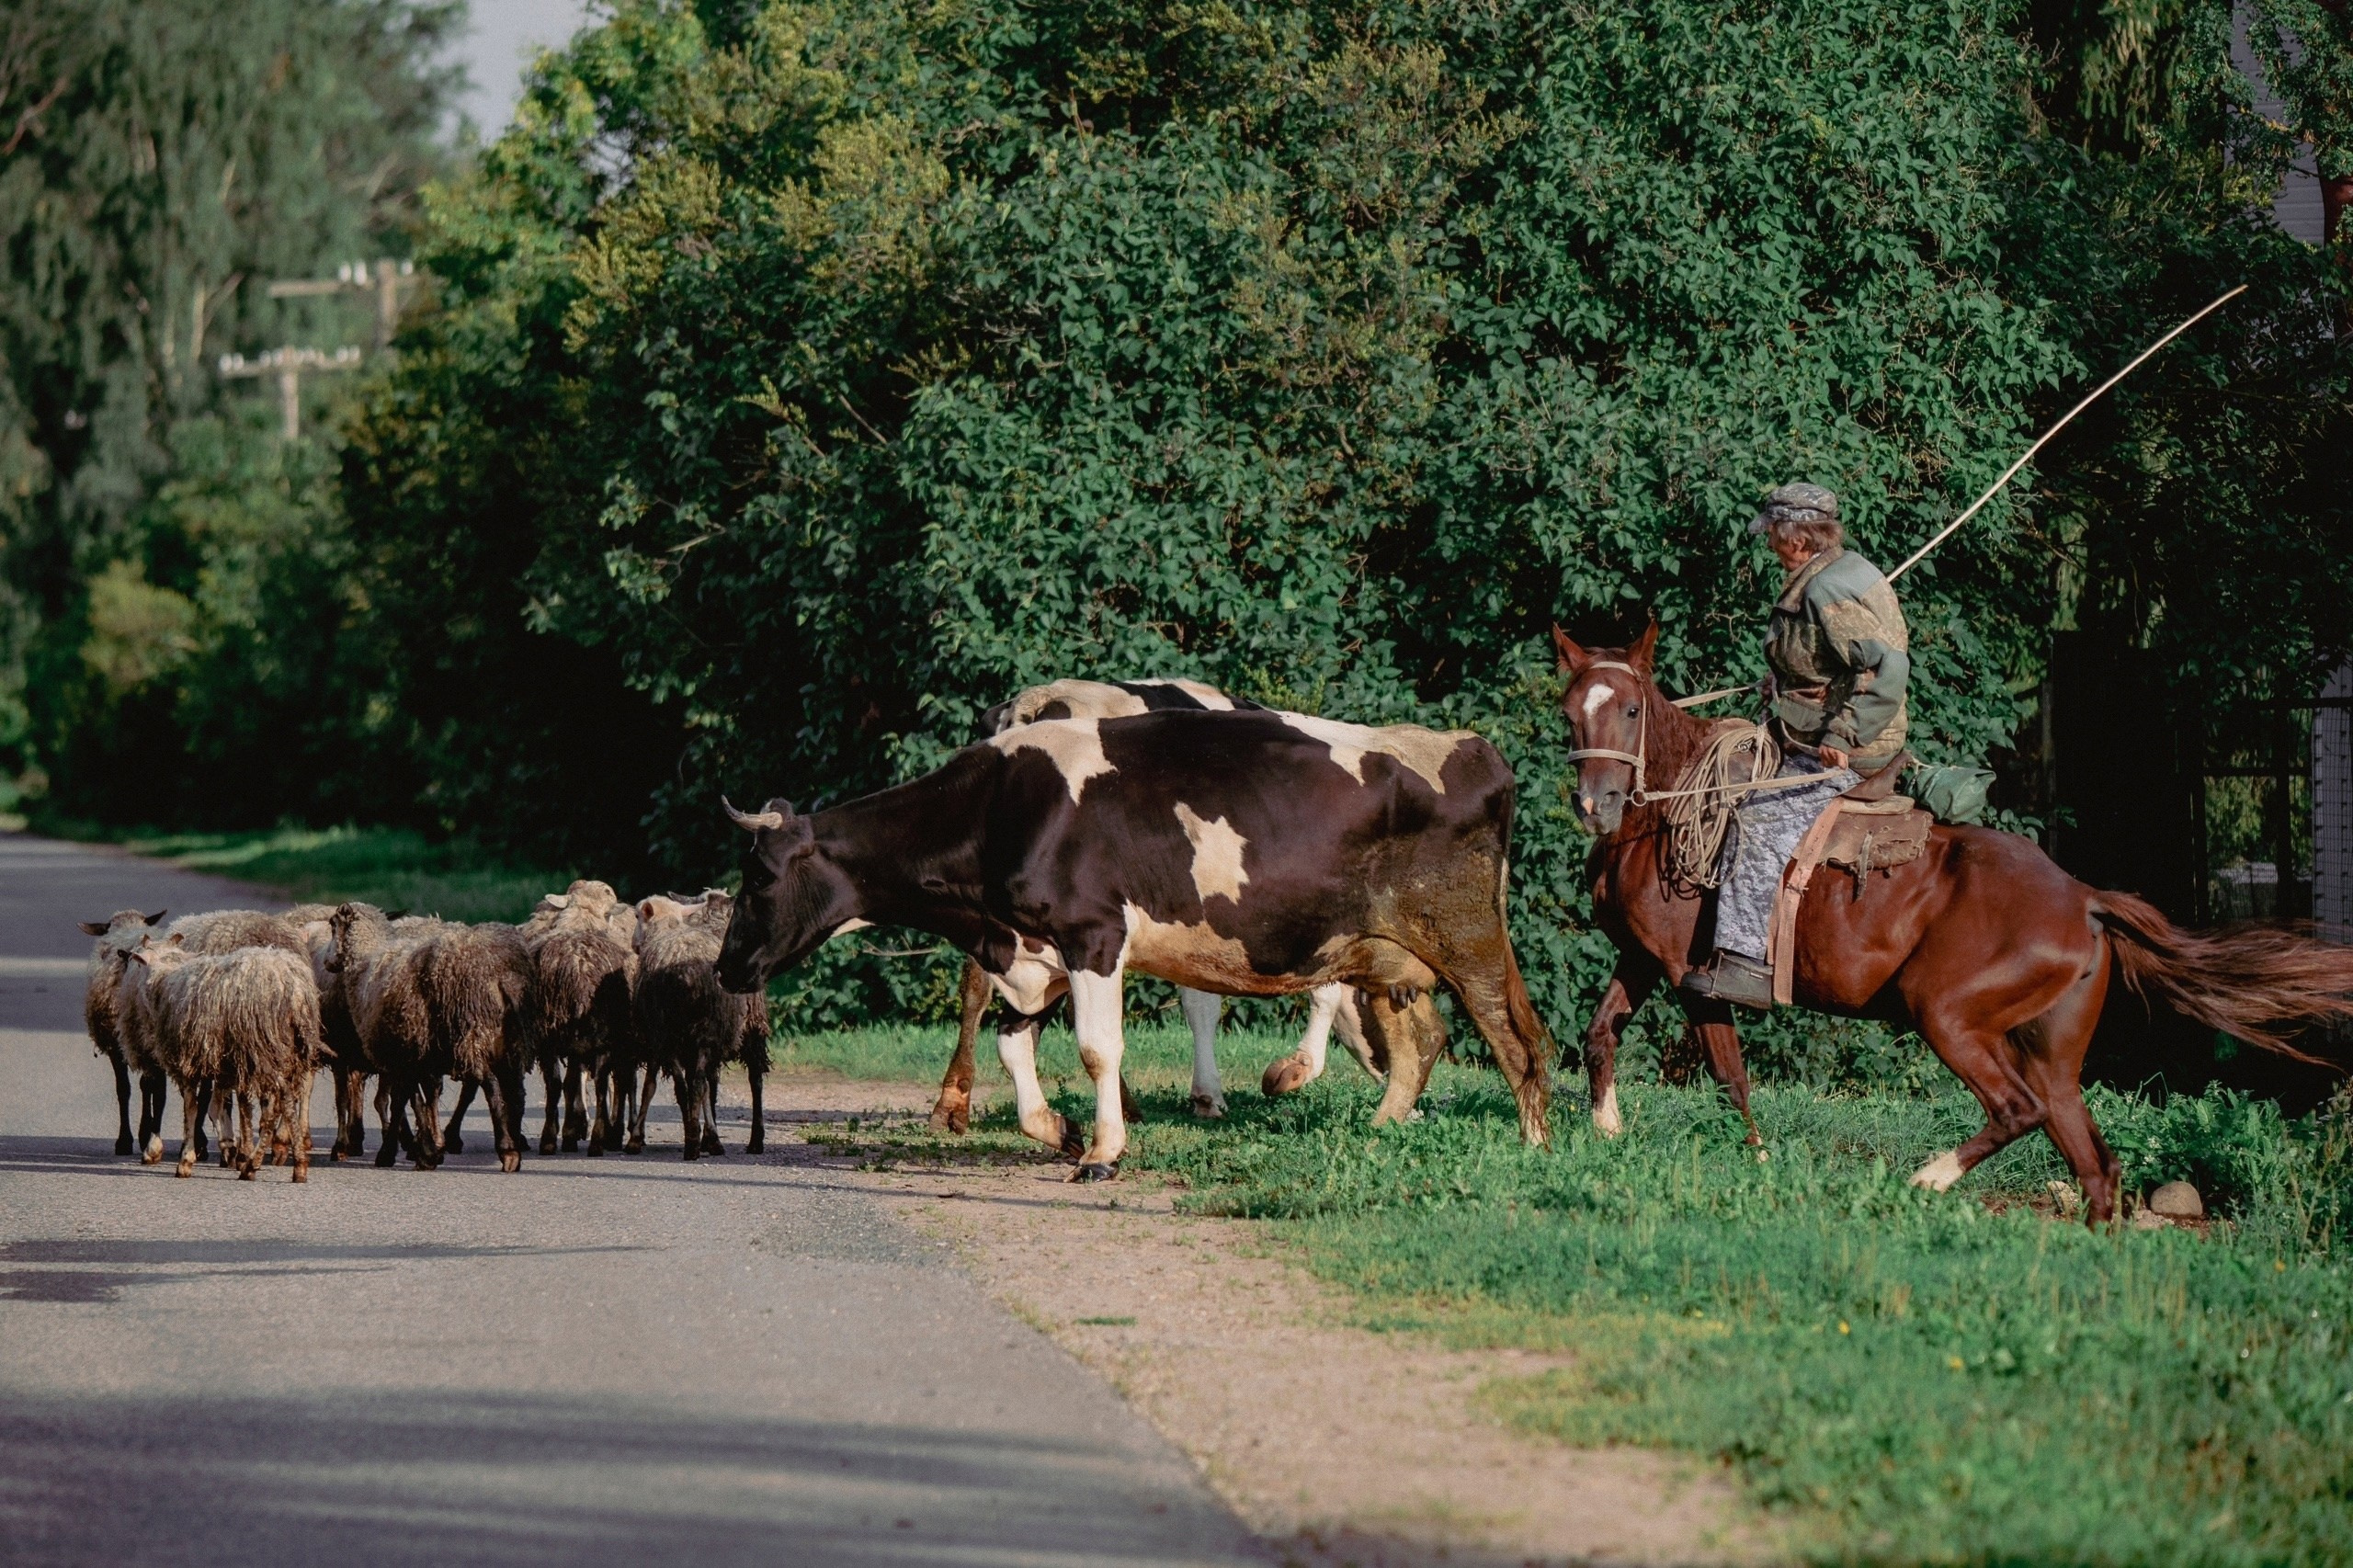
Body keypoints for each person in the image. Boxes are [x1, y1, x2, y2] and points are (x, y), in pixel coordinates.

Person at [1679, 482, 1911, 1009]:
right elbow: (1825, 657)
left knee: (1756, 820)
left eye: (1773, 536)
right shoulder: (1834, 570)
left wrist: (1843, 734)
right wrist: (1785, 683)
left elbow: (1887, 668)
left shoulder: (1827, 590)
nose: (1769, 545)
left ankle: (1745, 965)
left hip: (1853, 745)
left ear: (1799, 539)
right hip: (1807, 727)